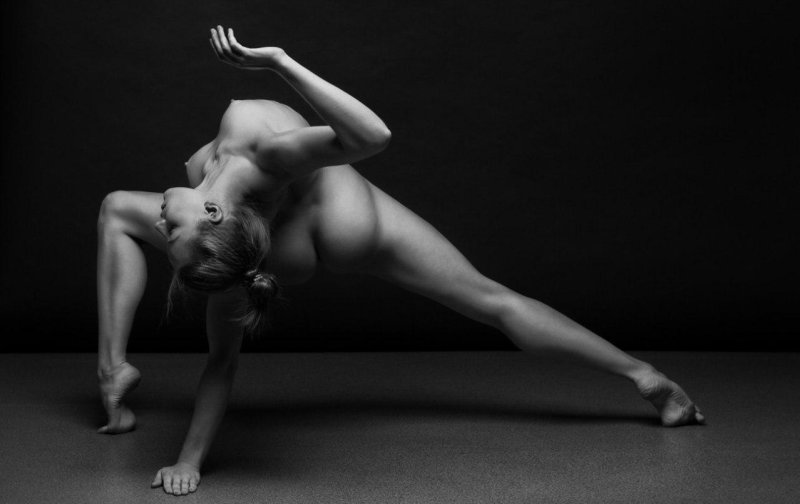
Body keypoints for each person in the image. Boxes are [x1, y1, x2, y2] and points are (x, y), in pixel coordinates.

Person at [96, 26, 705, 496]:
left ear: (212, 213)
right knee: (491, 300)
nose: (161, 223)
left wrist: (281, 62)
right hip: (327, 221)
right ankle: (644, 378)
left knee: (118, 211)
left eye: (167, 230)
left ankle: (113, 371)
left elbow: (372, 137)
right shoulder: (240, 189)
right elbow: (368, 141)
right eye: (169, 229)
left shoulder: (253, 166)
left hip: (299, 235)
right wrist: (278, 63)